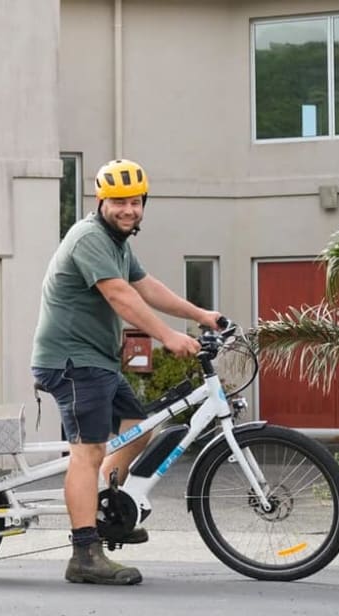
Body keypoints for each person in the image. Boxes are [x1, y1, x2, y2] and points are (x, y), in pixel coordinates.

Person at [31, 158, 220, 585]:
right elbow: (119, 295)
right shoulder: (89, 238)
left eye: (133, 201)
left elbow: (145, 286)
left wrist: (200, 314)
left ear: (142, 203)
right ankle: (84, 552)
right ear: (102, 201)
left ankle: (104, 504)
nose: (126, 209)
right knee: (88, 452)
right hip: (71, 361)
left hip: (96, 360)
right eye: (117, 202)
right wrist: (168, 336)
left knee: (140, 426)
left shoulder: (117, 242)